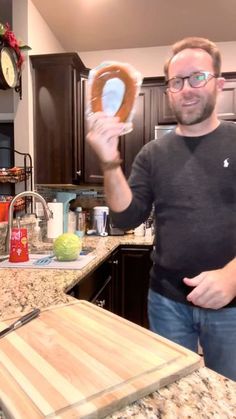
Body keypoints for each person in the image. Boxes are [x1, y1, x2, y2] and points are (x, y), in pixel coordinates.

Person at [86, 37, 236, 381]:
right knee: (169, 391)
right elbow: (127, 216)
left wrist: (232, 276)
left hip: (232, 307)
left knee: (228, 397)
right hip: (166, 301)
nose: (186, 89)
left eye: (197, 77)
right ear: (168, 89)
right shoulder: (153, 154)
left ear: (219, 83)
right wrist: (109, 161)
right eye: (177, 81)